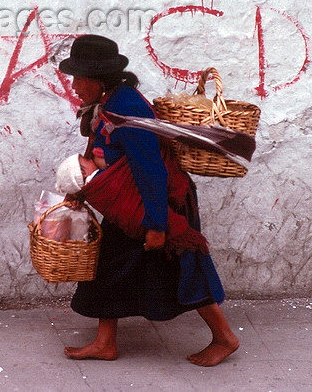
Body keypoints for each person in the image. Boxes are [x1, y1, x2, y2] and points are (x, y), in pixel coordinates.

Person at [58, 34, 239, 367]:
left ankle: (225, 337)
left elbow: (150, 169)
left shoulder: (125, 107)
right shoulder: (108, 103)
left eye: (78, 77)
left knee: (186, 268)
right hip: (133, 204)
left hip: (162, 204)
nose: (74, 85)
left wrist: (156, 225)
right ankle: (104, 342)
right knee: (107, 265)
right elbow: (104, 155)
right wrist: (79, 194)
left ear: (98, 80)